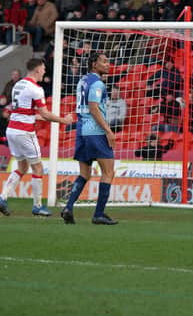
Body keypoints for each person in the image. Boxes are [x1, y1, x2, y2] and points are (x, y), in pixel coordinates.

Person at [0, 59, 73, 217]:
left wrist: (38, 117)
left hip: (12, 129)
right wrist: (63, 120)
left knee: (22, 167)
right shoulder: (36, 89)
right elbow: (45, 113)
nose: (45, 72)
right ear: (37, 70)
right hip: (25, 131)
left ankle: (2, 197)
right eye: (43, 69)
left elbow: (24, 110)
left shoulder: (18, 84)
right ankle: (38, 206)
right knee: (38, 168)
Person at [61, 53, 118, 225]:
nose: (108, 64)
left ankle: (68, 207)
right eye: (104, 61)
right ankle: (98, 214)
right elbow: (94, 108)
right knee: (108, 172)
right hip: (95, 131)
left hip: (81, 131)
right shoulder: (98, 83)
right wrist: (108, 131)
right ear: (94, 64)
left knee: (84, 173)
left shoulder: (83, 80)